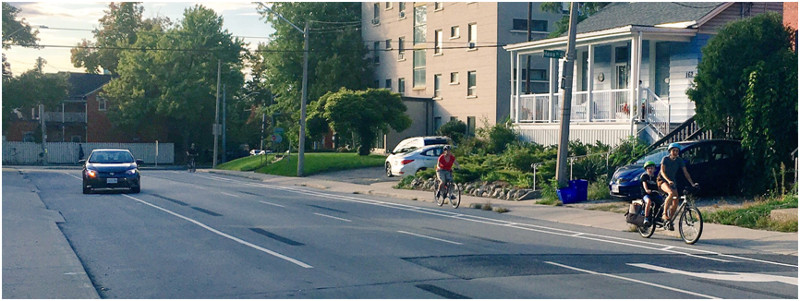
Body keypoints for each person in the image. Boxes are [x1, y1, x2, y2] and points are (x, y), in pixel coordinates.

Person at [658, 143, 699, 229]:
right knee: (670, 193)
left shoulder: (679, 160)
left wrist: (692, 183)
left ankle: (669, 220)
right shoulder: (665, 159)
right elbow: (662, 171)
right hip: (662, 180)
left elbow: (685, 172)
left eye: (677, 151)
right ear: (670, 151)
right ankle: (664, 214)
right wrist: (668, 180)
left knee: (676, 201)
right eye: (674, 150)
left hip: (672, 182)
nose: (675, 152)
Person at [640, 161, 662, 227]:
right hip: (646, 195)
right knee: (648, 201)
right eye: (648, 168)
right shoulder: (644, 176)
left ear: (654, 169)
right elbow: (644, 184)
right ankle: (646, 218)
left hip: (654, 194)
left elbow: (658, 186)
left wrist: (661, 192)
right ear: (646, 169)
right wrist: (647, 190)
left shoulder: (655, 177)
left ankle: (658, 217)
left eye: (652, 168)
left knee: (662, 202)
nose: (650, 170)